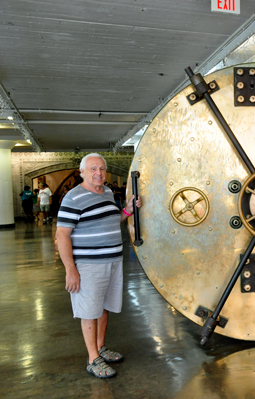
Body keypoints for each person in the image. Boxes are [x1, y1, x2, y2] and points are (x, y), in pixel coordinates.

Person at [56, 153, 142, 379]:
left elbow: (113, 220)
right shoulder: (73, 198)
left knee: (103, 308)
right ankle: (93, 358)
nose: (99, 173)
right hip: (88, 265)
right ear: (82, 172)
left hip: (113, 262)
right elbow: (62, 235)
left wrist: (128, 211)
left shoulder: (106, 193)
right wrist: (70, 269)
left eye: (102, 169)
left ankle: (101, 347)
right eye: (93, 169)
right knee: (89, 311)